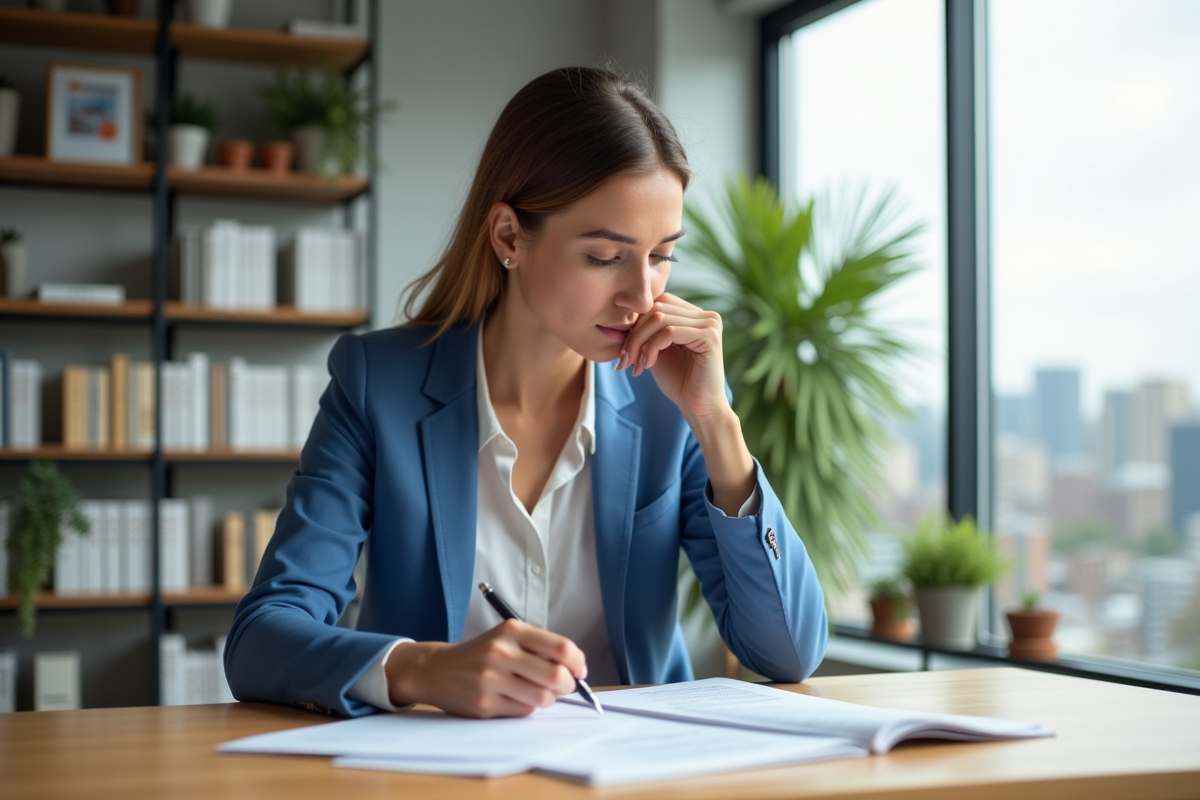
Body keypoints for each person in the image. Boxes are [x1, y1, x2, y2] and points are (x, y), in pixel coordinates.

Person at [224, 66, 828, 719]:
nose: (641, 296)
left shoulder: (671, 402)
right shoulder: (378, 385)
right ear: (509, 236)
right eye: (605, 257)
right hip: (436, 761)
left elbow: (788, 654)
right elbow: (262, 638)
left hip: (634, 761)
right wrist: (423, 668)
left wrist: (717, 423)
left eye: (661, 256)